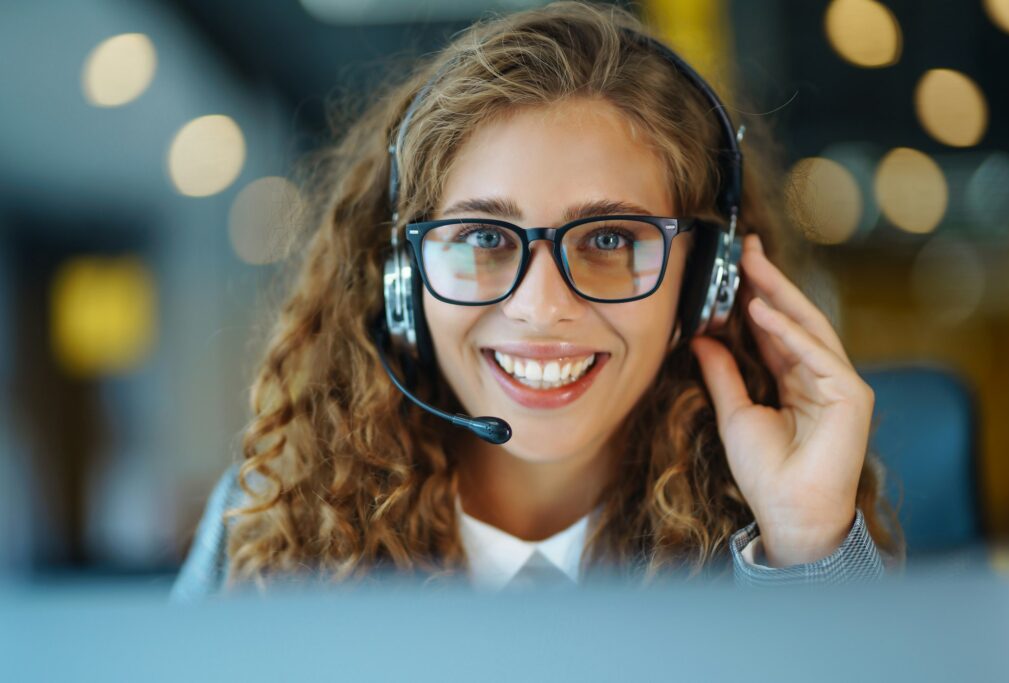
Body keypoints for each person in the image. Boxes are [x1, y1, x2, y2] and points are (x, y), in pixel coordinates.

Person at [172, 1, 903, 600]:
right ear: (402, 279)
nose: (541, 306)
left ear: (703, 278)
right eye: (484, 238)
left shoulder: (783, 527)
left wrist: (807, 547)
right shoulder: (272, 514)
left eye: (612, 240)